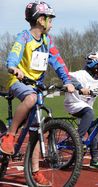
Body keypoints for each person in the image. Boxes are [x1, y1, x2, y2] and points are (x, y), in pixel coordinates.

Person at [0, 1, 75, 185]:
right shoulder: (24, 37)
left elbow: (58, 62)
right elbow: (14, 55)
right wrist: (13, 68)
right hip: (18, 82)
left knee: (36, 129)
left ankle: (34, 172)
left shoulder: (47, 41)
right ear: (41, 20)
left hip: (36, 85)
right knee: (31, 98)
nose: (52, 23)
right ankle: (10, 135)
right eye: (50, 19)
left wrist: (67, 81)